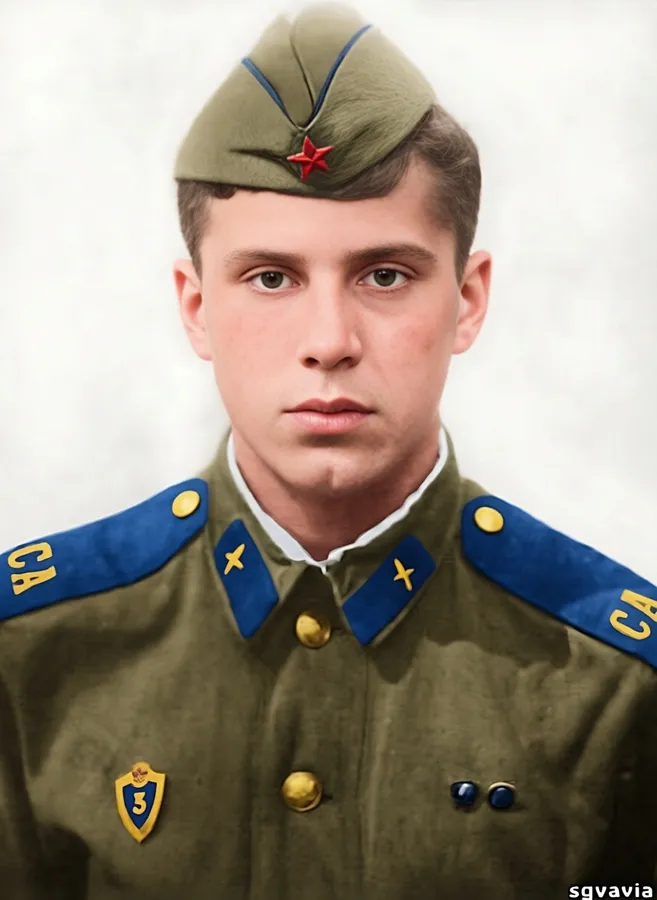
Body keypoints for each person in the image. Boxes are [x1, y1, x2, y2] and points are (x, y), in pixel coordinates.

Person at [1, 3, 656, 899]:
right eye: (270, 277)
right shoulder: (34, 649)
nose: (329, 341)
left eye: (384, 275)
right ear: (196, 307)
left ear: (467, 299)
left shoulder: (614, 682)